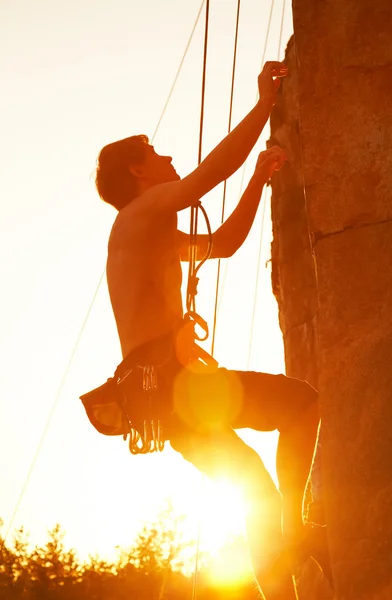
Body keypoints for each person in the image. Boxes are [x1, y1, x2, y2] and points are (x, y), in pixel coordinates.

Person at [93, 61, 327, 599]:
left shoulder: (156, 231)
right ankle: (290, 538)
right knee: (265, 468)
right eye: (157, 154)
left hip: (180, 393)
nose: (171, 158)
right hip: (170, 393)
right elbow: (208, 173)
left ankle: (290, 535)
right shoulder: (138, 216)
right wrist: (265, 105)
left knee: (294, 419)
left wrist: (258, 181)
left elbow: (220, 244)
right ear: (137, 171)